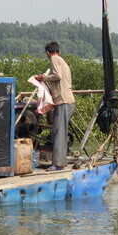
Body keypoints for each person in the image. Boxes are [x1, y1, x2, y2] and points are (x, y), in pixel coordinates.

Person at [34, 41, 75, 170]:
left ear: (48, 53)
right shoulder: (62, 60)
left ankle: (58, 164)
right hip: (67, 101)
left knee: (58, 132)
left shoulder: (55, 59)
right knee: (61, 132)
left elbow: (57, 75)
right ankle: (60, 161)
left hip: (64, 101)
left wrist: (43, 78)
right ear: (59, 51)